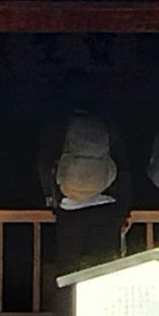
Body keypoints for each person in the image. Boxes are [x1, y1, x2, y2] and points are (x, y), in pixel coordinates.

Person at [41, 112, 128, 287]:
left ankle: (69, 310)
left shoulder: (62, 127)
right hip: (105, 206)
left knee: (68, 270)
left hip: (70, 209)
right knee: (105, 267)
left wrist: (52, 199)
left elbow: (44, 162)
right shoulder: (108, 125)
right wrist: (123, 209)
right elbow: (123, 168)